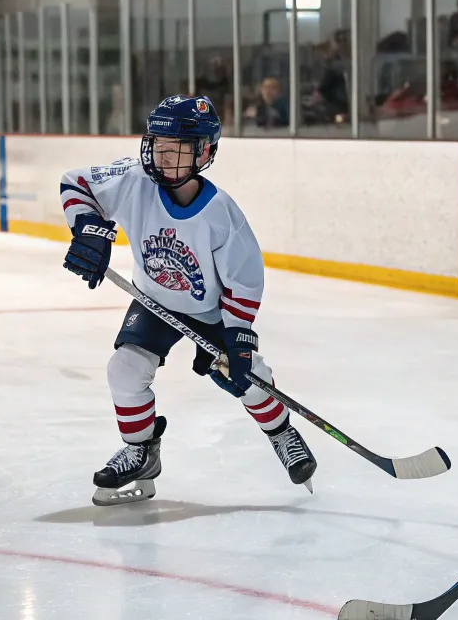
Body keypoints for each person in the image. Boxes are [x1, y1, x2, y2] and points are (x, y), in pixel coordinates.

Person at [59, 94, 317, 505]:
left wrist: (238, 338)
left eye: (176, 149)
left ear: (205, 152)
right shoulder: (132, 179)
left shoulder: (221, 214)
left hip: (209, 312)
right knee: (124, 369)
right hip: (152, 300)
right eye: (158, 146)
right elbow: (76, 182)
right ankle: (141, 450)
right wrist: (88, 227)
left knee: (245, 376)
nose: (163, 157)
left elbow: (244, 283)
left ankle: (281, 431)